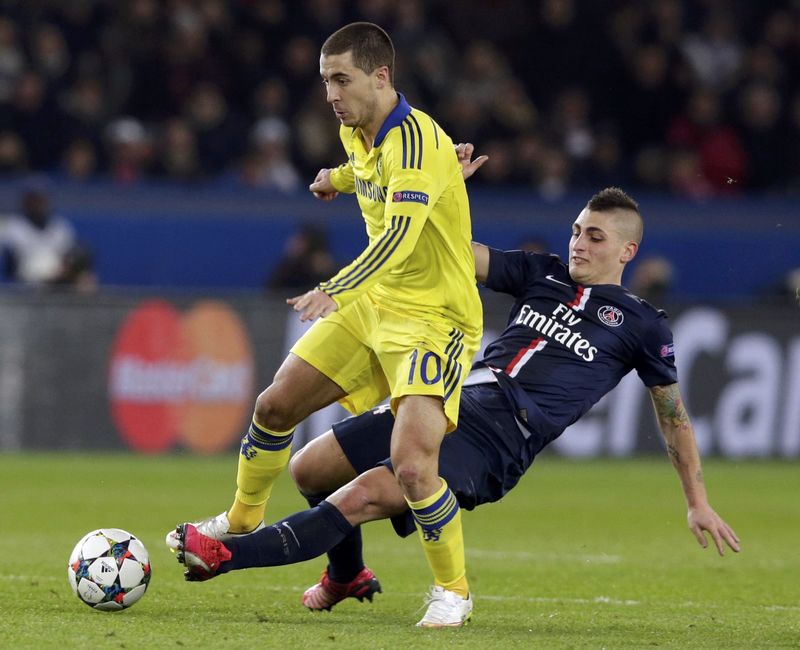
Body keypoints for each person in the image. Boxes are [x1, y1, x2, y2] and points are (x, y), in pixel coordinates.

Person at [172, 187, 740, 626]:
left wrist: (698, 502)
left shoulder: (642, 323)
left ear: (626, 250)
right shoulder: (540, 272)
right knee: (309, 468)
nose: (578, 245)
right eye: (575, 231)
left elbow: (675, 417)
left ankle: (226, 553)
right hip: (450, 400)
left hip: (499, 440)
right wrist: (441, 192)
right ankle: (346, 576)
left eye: (594, 237)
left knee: (369, 491)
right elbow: (451, 253)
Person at [168, 23, 484, 627]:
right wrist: (333, 180)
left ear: (381, 77)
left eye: (342, 79)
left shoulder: (416, 144)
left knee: (414, 464)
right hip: (376, 307)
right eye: (325, 82)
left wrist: (333, 289)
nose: (331, 94)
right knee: (275, 405)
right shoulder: (355, 129)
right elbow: (364, 172)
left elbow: (399, 235)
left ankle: (454, 591)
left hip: (431, 319)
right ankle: (241, 518)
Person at [0, 176, 95, 289]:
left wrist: (67, 272)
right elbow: (12, 269)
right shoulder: (13, 228)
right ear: (25, 202)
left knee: (86, 279)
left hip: (59, 283)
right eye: (34, 199)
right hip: (26, 288)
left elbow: (69, 259)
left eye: (42, 199)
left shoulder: (60, 227)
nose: (38, 204)